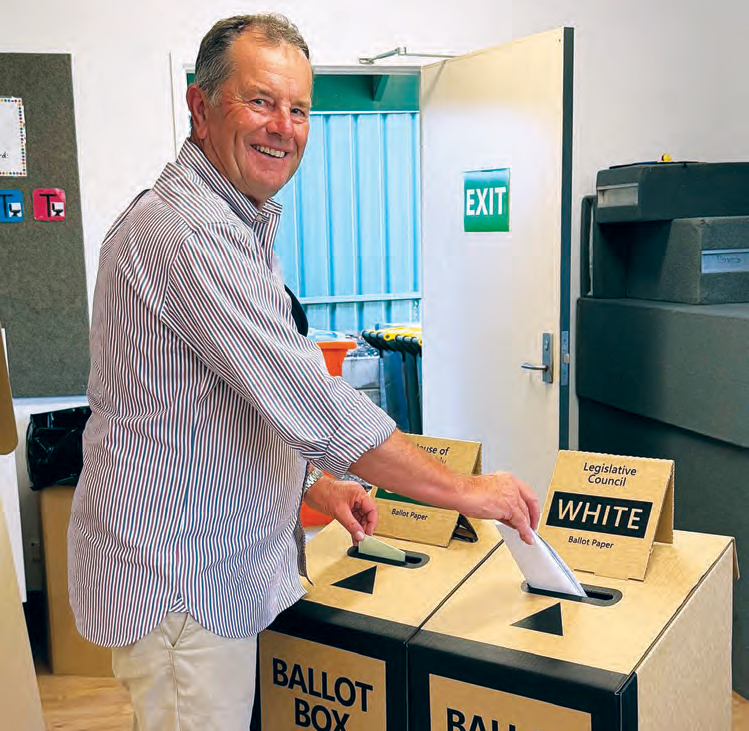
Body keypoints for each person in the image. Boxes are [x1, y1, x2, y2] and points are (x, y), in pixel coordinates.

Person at [68, 13, 540, 731]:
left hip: (213, 569)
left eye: (297, 109)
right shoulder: (186, 233)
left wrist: (313, 483)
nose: (282, 127)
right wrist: (467, 491)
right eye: (260, 101)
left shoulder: (233, 219)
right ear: (200, 106)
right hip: (183, 585)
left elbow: (223, 407)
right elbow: (310, 402)